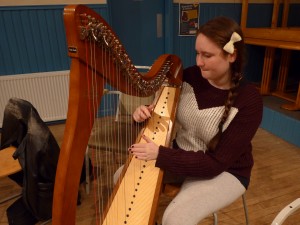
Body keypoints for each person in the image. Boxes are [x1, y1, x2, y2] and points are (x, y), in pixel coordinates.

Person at [130, 16, 263, 225]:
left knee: (175, 219)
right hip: (182, 154)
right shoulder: (189, 76)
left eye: (207, 55)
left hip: (225, 171)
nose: (199, 62)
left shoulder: (249, 101)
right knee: (123, 178)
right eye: (197, 53)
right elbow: (159, 118)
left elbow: (215, 164)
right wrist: (143, 114)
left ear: (231, 56)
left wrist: (160, 154)